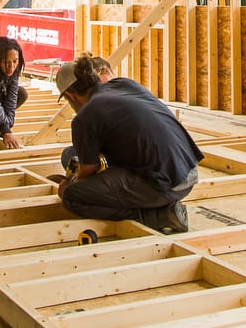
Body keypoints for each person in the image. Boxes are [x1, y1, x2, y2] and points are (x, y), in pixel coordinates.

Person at [54, 53, 202, 233]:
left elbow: (88, 171)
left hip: (163, 185)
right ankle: (156, 205)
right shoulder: (125, 84)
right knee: (71, 154)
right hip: (189, 173)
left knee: (73, 197)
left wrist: (70, 186)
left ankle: (158, 216)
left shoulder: (85, 118)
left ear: (71, 96)